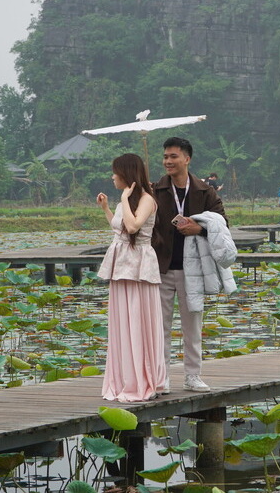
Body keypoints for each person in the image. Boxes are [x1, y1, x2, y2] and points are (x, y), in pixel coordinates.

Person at [153, 137, 228, 392]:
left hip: (192, 269)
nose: (168, 162)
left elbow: (222, 223)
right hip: (161, 267)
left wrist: (198, 228)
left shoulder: (205, 192)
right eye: (165, 157)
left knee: (193, 324)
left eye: (173, 156)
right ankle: (160, 378)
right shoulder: (155, 190)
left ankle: (192, 376)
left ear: (187, 158)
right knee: (159, 326)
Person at [96, 153, 166, 402]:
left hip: (138, 267)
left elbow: (134, 226)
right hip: (121, 265)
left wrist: (125, 199)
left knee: (137, 320)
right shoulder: (123, 202)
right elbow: (120, 228)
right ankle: (124, 377)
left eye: (116, 172)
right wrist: (107, 209)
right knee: (122, 322)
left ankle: (142, 379)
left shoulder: (147, 199)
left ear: (127, 174)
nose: (113, 176)